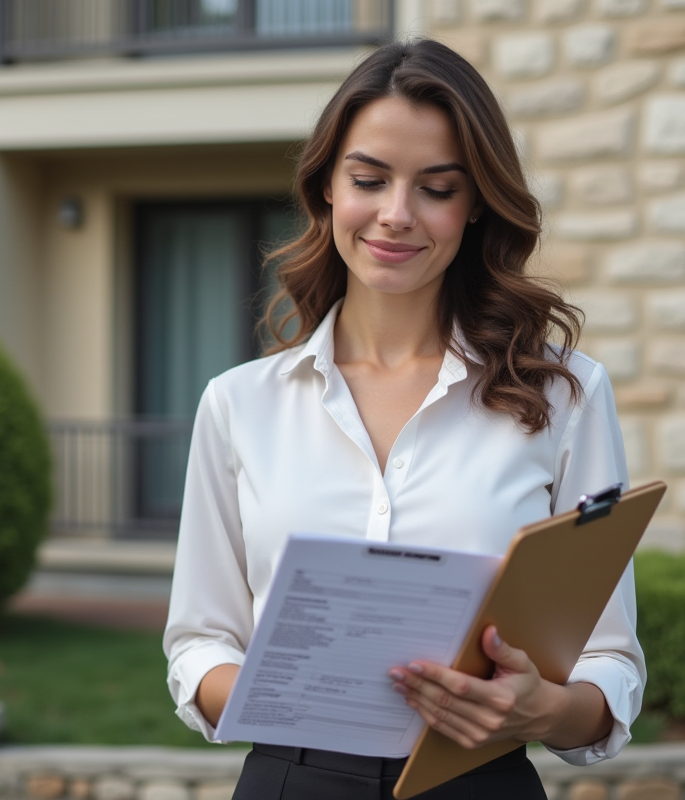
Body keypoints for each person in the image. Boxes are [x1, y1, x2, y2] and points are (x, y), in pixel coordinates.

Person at [163, 38, 644, 799]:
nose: (395, 215)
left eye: (437, 188)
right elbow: (198, 644)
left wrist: (541, 710)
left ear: (477, 201)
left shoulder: (564, 394)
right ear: (326, 186)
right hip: (293, 781)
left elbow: (610, 663)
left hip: (478, 783)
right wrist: (286, 690)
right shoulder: (239, 403)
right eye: (369, 179)